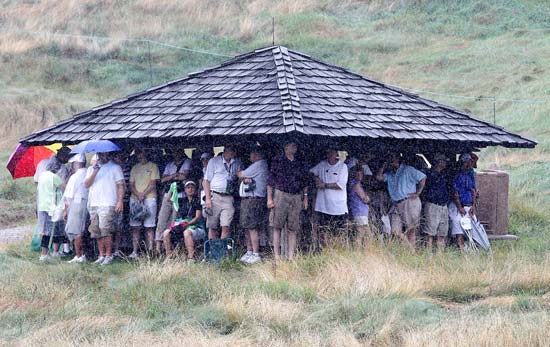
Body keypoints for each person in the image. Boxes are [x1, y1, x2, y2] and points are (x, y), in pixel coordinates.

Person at [267, 140, 309, 260]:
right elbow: (270, 181)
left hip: (296, 195)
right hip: (281, 194)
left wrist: (305, 198)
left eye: (295, 145)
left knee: (293, 227)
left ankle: (290, 256)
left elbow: (305, 181)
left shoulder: (300, 162)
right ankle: (276, 255)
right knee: (277, 225)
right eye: (292, 145)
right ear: (286, 147)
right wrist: (269, 199)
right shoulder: (278, 160)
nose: (294, 147)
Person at [376, 152, 426, 251]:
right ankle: (411, 250)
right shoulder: (390, 174)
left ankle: (411, 252)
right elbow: (378, 177)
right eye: (389, 159)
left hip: (409, 201)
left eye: (393, 159)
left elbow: (422, 177)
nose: (391, 161)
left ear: (398, 159)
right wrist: (383, 165)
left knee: (411, 229)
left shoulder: (408, 169)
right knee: (395, 231)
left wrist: (418, 192)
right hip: (396, 203)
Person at [84, 151, 125, 266]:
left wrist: (120, 201)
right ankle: (101, 255)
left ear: (108, 154)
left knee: (106, 230)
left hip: (108, 203)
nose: (101, 156)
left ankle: (108, 255)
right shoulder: (91, 169)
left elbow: (121, 186)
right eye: (99, 154)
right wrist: (95, 171)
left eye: (104, 154)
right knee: (96, 231)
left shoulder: (115, 168)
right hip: (94, 203)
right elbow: (86, 184)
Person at [155, 148, 191, 254]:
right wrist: (174, 176)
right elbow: (163, 179)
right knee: (162, 219)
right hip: (168, 194)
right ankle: (157, 247)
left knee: (174, 220)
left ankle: (172, 247)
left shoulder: (187, 162)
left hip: (180, 195)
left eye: (177, 152)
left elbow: (184, 176)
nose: (175, 154)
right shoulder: (170, 164)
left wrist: (171, 177)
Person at [310, 147, 349, 245]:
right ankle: (325, 250)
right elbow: (311, 172)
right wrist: (316, 179)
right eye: (328, 152)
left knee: (338, 232)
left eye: (331, 152)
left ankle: (337, 250)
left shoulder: (343, 167)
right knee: (323, 230)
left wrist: (325, 185)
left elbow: (340, 185)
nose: (329, 155)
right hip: (323, 206)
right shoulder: (322, 164)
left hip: (338, 207)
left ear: (336, 154)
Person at [237, 145, 269, 264]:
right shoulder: (258, 165)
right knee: (246, 226)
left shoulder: (259, 164)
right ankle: (249, 251)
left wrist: (242, 174)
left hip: (253, 199)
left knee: (252, 226)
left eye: (252, 154)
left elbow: (240, 174)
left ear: (257, 155)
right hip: (248, 199)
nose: (250, 156)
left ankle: (255, 253)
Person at [203, 145, 242, 240]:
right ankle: (214, 251)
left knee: (226, 225)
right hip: (215, 195)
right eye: (229, 151)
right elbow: (206, 181)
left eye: (233, 151)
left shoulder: (237, 162)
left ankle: (223, 250)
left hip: (228, 197)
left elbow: (239, 177)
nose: (231, 153)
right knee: (212, 226)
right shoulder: (214, 161)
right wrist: (208, 199)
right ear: (224, 151)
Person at [128, 148, 160, 258]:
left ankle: (149, 251)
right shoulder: (135, 168)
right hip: (135, 198)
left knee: (149, 226)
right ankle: (134, 251)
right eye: (139, 155)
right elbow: (131, 184)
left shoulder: (153, 166)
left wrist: (143, 194)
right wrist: (138, 194)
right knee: (135, 227)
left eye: (142, 154)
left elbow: (153, 183)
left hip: (150, 198)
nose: (140, 157)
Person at [163, 181, 205, 260]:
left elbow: (197, 217)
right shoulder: (182, 200)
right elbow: (168, 199)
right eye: (188, 187)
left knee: (187, 233)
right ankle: (169, 257)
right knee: (166, 233)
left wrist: (187, 224)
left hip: (195, 227)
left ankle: (191, 257)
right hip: (182, 225)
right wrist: (172, 187)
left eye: (192, 187)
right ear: (185, 190)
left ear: (195, 189)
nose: (190, 189)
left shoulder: (198, 201)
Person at [37, 160, 67, 262]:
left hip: (42, 205)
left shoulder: (42, 176)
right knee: (55, 230)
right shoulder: (54, 177)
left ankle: (44, 253)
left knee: (44, 230)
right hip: (52, 206)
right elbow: (64, 188)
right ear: (56, 168)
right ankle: (52, 253)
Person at [421, 153, 450, 253]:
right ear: (439, 162)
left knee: (442, 233)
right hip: (433, 205)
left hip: (443, 206)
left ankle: (440, 256)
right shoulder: (429, 175)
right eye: (444, 161)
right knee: (429, 232)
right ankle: (428, 255)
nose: (446, 163)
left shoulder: (444, 175)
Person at [449, 153, 477, 250]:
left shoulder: (470, 174)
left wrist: (473, 206)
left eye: (470, 162)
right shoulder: (457, 175)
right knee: (458, 223)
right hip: (459, 205)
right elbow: (455, 193)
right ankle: (461, 247)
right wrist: (459, 207)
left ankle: (471, 246)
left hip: (469, 204)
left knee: (473, 224)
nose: (469, 164)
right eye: (467, 162)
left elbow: (473, 191)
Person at [64, 154, 89, 263]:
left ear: (77, 163)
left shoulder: (75, 177)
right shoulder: (89, 173)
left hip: (76, 204)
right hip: (87, 203)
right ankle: (82, 254)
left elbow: (68, 195)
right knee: (82, 231)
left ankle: (79, 255)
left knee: (76, 231)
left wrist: (66, 210)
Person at [348, 167, 371, 247]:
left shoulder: (353, 184)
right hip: (359, 211)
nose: (359, 176)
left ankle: (361, 252)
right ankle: (359, 251)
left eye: (361, 173)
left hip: (359, 211)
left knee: (363, 233)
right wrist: (368, 198)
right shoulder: (356, 184)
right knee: (363, 233)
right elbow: (365, 199)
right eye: (357, 174)